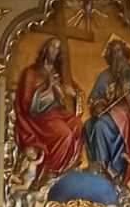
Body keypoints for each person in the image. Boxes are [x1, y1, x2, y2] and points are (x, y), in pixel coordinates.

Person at [84, 37, 130, 189]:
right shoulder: (105, 76)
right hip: (110, 113)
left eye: (119, 51)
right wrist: (98, 105)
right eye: (113, 52)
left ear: (125, 53)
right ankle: (98, 164)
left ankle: (105, 167)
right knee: (89, 125)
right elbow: (95, 98)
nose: (117, 55)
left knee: (100, 126)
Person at [13, 36, 84, 180]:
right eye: (52, 46)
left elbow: (74, 92)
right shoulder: (32, 72)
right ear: (45, 49)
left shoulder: (60, 73)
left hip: (58, 113)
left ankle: (67, 168)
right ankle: (50, 173)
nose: (55, 50)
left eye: (58, 48)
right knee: (64, 134)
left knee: (77, 124)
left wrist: (74, 94)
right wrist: (49, 87)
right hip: (38, 116)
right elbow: (27, 102)